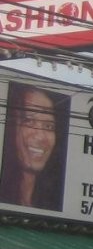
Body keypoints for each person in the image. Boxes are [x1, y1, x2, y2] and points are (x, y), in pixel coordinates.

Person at [0, 83, 68, 211]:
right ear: (12, 126)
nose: (40, 137)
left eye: (48, 126)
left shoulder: (50, 203)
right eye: (29, 121)